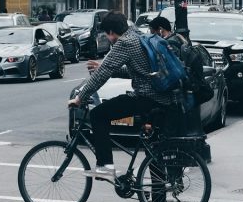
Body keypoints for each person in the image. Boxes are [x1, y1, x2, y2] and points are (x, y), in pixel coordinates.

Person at [67, 11, 181, 188]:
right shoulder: (138, 35)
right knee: (153, 149)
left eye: (106, 34)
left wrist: (81, 97)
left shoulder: (125, 43)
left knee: (98, 114)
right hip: (162, 99)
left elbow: (102, 74)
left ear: (111, 32)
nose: (107, 37)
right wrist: (107, 69)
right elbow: (139, 71)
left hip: (146, 98)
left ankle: (105, 166)